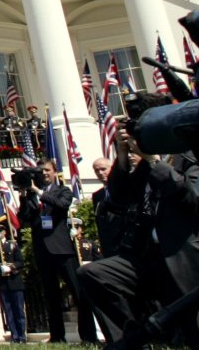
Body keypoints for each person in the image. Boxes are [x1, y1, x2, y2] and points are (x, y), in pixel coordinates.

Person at [78, 125, 199, 347]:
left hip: (183, 257)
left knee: (193, 332)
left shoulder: (188, 157)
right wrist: (122, 156)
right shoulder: (142, 166)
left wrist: (155, 162)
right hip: (146, 256)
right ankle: (131, 341)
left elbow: (193, 198)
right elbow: (117, 197)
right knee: (95, 273)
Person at [16, 158, 100, 344]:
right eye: (41, 171)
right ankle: (57, 336)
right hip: (42, 249)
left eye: (47, 170)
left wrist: (38, 191)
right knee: (51, 295)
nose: (44, 174)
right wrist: (24, 196)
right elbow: (25, 218)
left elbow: (61, 205)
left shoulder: (63, 190)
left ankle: (88, 336)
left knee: (78, 293)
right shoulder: (31, 195)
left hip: (62, 249)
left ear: (54, 172)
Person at [0, 224, 27, 343]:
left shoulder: (13, 244)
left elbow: (20, 262)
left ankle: (22, 336)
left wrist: (11, 267)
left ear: (5, 232)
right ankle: (14, 335)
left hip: (14, 280)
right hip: (1, 280)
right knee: (8, 309)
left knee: (18, 309)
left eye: (0, 230)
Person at [91, 157, 123, 257]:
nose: (100, 173)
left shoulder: (122, 188)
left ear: (111, 168)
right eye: (97, 170)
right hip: (108, 245)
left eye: (103, 169)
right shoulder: (97, 195)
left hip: (124, 240)